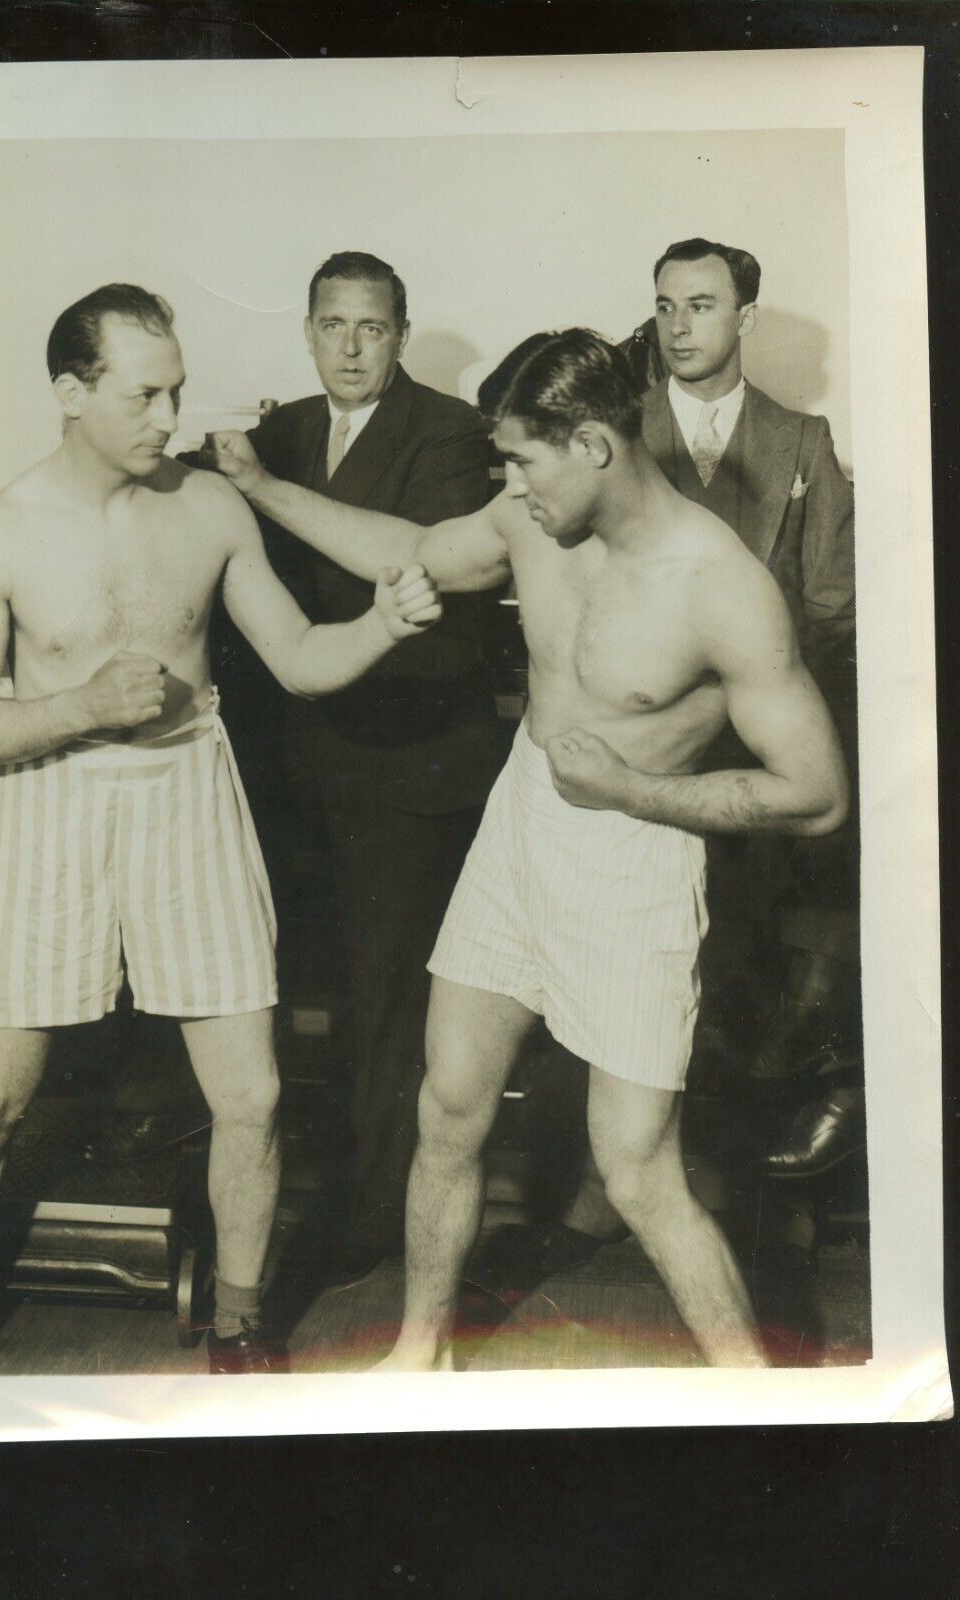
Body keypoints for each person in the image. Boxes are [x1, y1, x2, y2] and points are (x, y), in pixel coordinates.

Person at [204, 327, 848, 1369]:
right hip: (520, 827)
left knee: (635, 1170)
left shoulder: (717, 586)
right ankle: (420, 1356)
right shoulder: (528, 519)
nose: (507, 483)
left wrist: (634, 787)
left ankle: (769, 1406)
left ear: (593, 444)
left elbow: (816, 794)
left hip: (636, 854)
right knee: (448, 1103)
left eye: (521, 459)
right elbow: (405, 551)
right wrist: (260, 484)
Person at [0, 283, 442, 1375]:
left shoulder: (209, 508)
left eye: (176, 390)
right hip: (51, 792)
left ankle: (243, 1318)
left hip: (188, 796)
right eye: (143, 394)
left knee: (249, 1091)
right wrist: (78, 707)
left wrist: (385, 623)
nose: (170, 417)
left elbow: (300, 660)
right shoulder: (1, 531)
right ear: (72, 392)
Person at [179, 251, 502, 1282]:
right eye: (332, 325)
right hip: (292, 765)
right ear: (307, 331)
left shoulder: (450, 433)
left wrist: (258, 488)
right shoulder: (274, 434)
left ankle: (372, 1238)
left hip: (407, 771)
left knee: (383, 1007)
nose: (351, 347)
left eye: (371, 327)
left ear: (401, 333)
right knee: (273, 985)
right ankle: (277, 1204)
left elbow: (416, 562)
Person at [541, 239, 861, 1269]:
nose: (680, 326)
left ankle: (736, 1192)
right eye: (664, 306)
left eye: (703, 305)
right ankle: (613, 1185)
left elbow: (828, 607)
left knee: (746, 967)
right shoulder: (616, 432)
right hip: (645, 756)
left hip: (755, 758)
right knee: (638, 972)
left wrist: (747, 696)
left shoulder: (802, 441)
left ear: (744, 318)